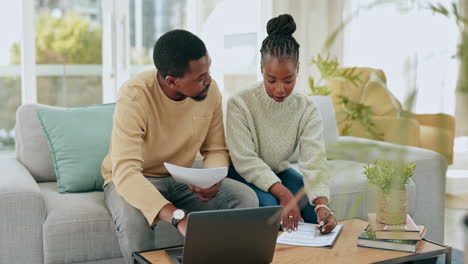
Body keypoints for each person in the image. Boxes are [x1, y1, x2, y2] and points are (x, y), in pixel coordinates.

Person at [101, 29, 258, 263]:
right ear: (172, 81)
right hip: (135, 178)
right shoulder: (135, 96)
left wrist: (211, 178)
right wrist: (178, 217)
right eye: (200, 77)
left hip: (181, 177)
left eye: (209, 71)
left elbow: (215, 149)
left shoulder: (210, 91)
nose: (210, 80)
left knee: (244, 198)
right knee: (135, 220)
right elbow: (126, 172)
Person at [226, 14, 337, 234]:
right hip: (241, 174)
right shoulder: (239, 102)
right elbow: (245, 160)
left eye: (288, 80)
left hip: (279, 171)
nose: (280, 89)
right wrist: (285, 194)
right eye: (271, 80)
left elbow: (315, 161)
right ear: (261, 68)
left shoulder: (306, 107)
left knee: (314, 214)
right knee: (274, 209)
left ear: (298, 70)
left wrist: (322, 204)